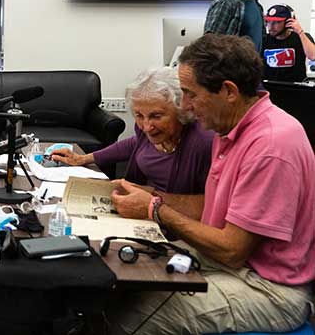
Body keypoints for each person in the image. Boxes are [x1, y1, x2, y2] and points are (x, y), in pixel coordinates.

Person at [108, 34, 315, 335]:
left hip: (269, 289)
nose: (186, 106)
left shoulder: (271, 144)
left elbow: (232, 249)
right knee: (117, 271)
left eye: (190, 94)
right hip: (231, 265)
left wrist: (155, 209)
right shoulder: (229, 128)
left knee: (131, 315)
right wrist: (151, 194)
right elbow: (209, 206)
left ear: (228, 91)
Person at [50, 67, 213, 194]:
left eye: (156, 116)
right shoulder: (146, 131)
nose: (147, 126)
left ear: (181, 109)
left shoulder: (203, 143)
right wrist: (83, 159)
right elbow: (134, 144)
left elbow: (206, 205)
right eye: (139, 115)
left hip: (175, 227)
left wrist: (151, 199)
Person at [262, 4, 315, 82]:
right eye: (268, 21)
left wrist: (300, 32)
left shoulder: (301, 38)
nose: (270, 26)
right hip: (269, 88)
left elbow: (313, 56)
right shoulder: (264, 39)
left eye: (277, 22)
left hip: (295, 90)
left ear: (288, 22)